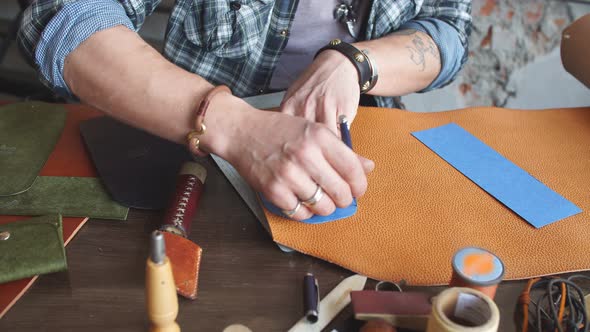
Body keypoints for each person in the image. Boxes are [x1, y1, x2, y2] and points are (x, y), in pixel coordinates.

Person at [17, 0, 471, 221]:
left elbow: (449, 30)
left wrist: (355, 62)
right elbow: (62, 17)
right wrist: (234, 126)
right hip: (186, 151)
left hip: (362, 146)